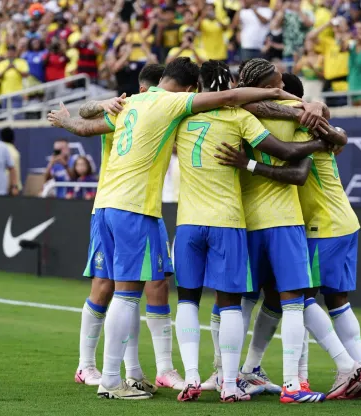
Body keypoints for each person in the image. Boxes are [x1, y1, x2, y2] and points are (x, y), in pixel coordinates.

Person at [47, 57, 301, 400]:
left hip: (105, 205)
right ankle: (110, 379)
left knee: (140, 292)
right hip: (137, 207)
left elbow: (85, 125)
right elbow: (228, 99)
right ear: (189, 87)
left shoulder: (132, 102)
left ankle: (134, 372)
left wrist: (67, 118)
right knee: (127, 293)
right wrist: (279, 93)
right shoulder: (173, 102)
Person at [172, 60, 335, 403]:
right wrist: (323, 138)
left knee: (192, 299)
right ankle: (280, 384)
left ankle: (201, 376)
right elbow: (289, 154)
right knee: (282, 303)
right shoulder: (245, 116)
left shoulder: (180, 116)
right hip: (246, 221)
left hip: (198, 221)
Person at [214, 73, 361, 399]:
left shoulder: (301, 125)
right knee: (329, 301)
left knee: (298, 299)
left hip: (321, 224)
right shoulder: (305, 120)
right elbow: (336, 133)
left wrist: (247, 164)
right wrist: (327, 126)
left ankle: (347, 369)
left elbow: (298, 170)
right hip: (338, 221)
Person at [59, 64, 187, 393]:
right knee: (110, 287)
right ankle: (88, 365)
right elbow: (84, 119)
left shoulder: (157, 114)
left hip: (146, 207)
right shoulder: (126, 108)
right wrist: (103, 103)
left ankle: (150, 370)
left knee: (156, 284)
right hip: (117, 205)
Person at [0, 127, 22, 193]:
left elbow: (10, 172)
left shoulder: (1, 151)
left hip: (8, 189)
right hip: (11, 189)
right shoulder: (15, 152)